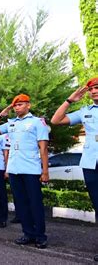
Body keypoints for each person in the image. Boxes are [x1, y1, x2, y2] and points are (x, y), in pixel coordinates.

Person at [0, 94, 49, 249]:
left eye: (20, 104)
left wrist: (45, 170)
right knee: (21, 204)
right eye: (15, 105)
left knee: (35, 203)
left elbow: (43, 147)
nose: (17, 107)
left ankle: (40, 236)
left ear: (29, 105)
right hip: (14, 169)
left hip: (31, 169)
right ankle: (28, 233)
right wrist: (2, 114)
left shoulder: (37, 122)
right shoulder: (11, 123)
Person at [50, 77, 98, 260]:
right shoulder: (85, 111)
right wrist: (70, 100)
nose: (93, 91)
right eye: (91, 89)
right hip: (91, 164)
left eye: (97, 88)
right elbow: (56, 120)